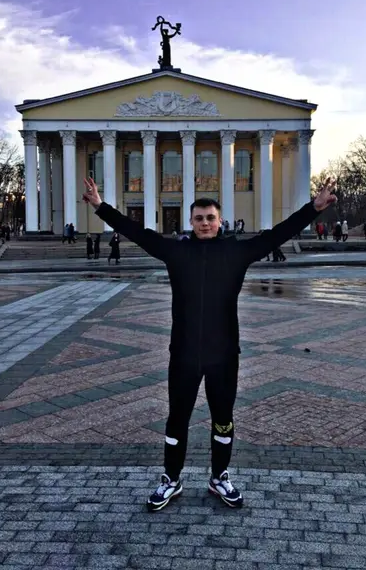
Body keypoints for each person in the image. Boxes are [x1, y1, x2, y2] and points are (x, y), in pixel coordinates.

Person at [83, 176, 337, 512]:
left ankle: (219, 477)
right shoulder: (176, 251)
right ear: (191, 222)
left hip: (223, 355)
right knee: (177, 420)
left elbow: (278, 234)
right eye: (199, 218)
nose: (205, 223)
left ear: (220, 221)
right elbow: (137, 232)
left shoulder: (237, 251)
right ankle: (171, 479)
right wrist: (100, 206)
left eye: (210, 218)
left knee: (223, 419)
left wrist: (313, 209)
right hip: (184, 354)